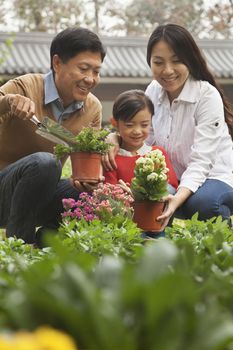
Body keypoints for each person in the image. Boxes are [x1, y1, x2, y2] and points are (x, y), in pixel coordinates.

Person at [103, 23, 233, 230]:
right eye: (158, 62)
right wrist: (114, 138)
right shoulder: (153, 91)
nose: (168, 71)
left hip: (214, 176)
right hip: (172, 177)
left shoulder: (207, 96)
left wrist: (177, 197)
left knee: (204, 203)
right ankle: (154, 240)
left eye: (176, 61)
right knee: (150, 195)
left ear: (189, 60)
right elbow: (144, 138)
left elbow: (202, 162)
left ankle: (223, 242)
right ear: (150, 62)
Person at [0, 27, 106, 244]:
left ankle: (45, 248)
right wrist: (8, 102)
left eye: (96, 71)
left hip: (40, 195)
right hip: (4, 192)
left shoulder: (93, 108)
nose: (90, 79)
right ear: (57, 63)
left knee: (91, 195)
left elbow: (89, 158)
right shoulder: (25, 86)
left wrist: (89, 181)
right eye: (84, 68)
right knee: (46, 162)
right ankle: (20, 250)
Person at [104, 89, 178, 237]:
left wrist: (139, 193)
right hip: (127, 222)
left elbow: (172, 185)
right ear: (115, 123)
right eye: (130, 125)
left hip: (157, 221)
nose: (137, 131)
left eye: (144, 125)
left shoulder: (157, 153)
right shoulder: (112, 157)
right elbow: (110, 191)